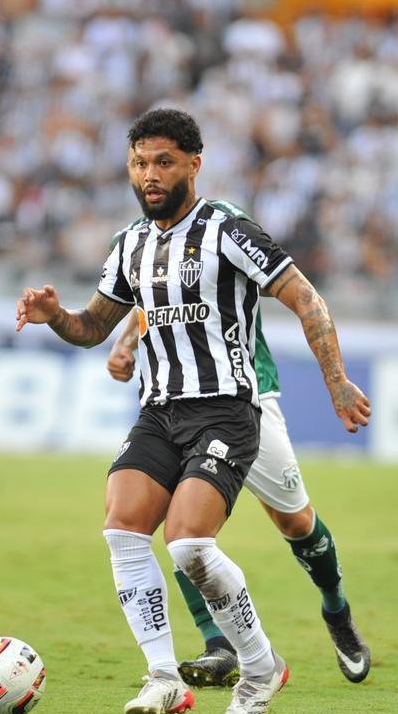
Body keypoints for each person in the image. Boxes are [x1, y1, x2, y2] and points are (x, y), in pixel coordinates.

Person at [15, 108, 370, 714]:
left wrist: (336, 382)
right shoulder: (130, 243)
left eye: (162, 163)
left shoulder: (228, 230)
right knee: (124, 528)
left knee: (267, 528)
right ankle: (164, 676)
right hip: (161, 410)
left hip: (234, 407)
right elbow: (96, 325)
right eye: (138, 163)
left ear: (193, 164)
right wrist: (58, 318)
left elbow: (305, 298)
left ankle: (311, 628)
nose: (148, 175)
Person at [107, 279, 371, 687]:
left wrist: (336, 381)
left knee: (296, 522)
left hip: (245, 398)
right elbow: (147, 296)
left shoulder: (226, 227)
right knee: (183, 530)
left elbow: (291, 288)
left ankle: (336, 611)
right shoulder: (138, 238)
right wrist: (125, 342)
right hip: (174, 405)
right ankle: (220, 646)